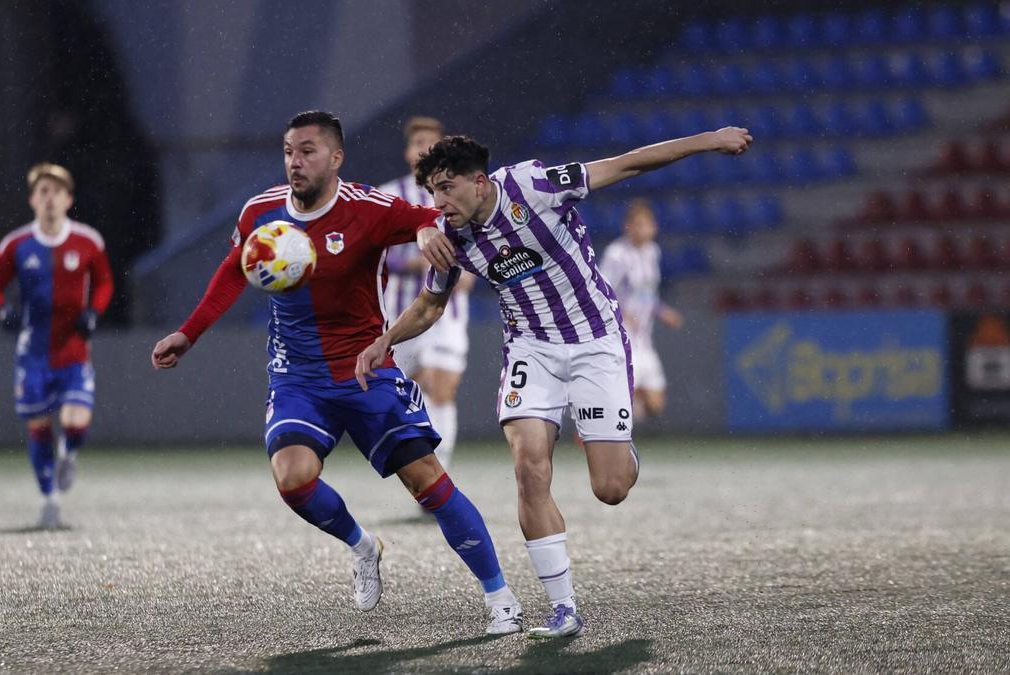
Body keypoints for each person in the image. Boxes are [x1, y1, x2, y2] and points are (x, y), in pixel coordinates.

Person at [357, 127, 752, 638]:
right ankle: (563, 607)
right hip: (530, 349)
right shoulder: (449, 236)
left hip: (595, 339)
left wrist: (710, 139)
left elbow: (627, 161)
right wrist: (383, 341)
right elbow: (432, 304)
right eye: (432, 190)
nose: (439, 201)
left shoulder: (536, 186)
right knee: (528, 468)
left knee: (610, 488)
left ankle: (620, 450)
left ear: (480, 182)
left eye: (448, 187)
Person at [150, 111, 523, 635]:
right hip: (297, 377)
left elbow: (421, 217)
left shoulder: (367, 208)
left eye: (306, 151)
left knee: (428, 483)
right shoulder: (260, 211)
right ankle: (362, 545)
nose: (294, 162)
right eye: (288, 152)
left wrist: (420, 232)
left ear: (335, 157)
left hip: (366, 368)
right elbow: (233, 271)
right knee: (293, 477)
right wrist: (189, 333)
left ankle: (501, 598)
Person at [0, 163, 113, 529]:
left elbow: (104, 283)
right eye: (42, 192)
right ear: (32, 201)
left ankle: (68, 453)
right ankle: (49, 502)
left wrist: (94, 313)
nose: (49, 198)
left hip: (72, 350)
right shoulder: (16, 244)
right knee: (38, 425)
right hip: (33, 354)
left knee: (75, 419)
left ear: (69, 199)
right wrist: (3, 310)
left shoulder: (88, 241)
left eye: (56, 191)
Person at [378, 116, 475, 473]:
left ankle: (440, 473)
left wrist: (472, 273)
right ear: (408, 151)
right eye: (419, 142)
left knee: (441, 386)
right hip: (402, 313)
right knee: (407, 397)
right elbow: (376, 251)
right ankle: (420, 469)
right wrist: (419, 259)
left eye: (433, 143)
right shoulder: (389, 196)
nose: (426, 150)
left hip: (448, 314)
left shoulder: (461, 194)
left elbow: (478, 243)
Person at [598, 200, 684, 421]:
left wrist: (662, 311)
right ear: (628, 227)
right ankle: (597, 428)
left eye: (646, 224)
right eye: (637, 224)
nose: (643, 229)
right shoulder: (616, 254)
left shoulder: (652, 252)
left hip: (644, 338)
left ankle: (605, 419)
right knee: (624, 393)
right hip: (622, 336)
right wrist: (623, 315)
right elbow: (601, 291)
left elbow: (647, 293)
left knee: (655, 404)